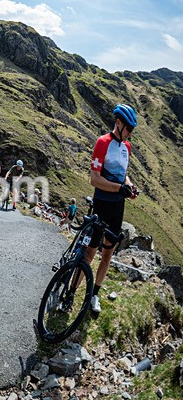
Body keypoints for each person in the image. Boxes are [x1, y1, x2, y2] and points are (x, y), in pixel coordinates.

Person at [70, 104, 139, 314]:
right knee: (90, 253)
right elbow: (94, 179)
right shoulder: (103, 142)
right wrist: (120, 188)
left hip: (118, 207)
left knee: (108, 255)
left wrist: (129, 185)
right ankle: (71, 293)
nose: (130, 135)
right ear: (118, 123)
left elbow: (123, 173)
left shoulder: (126, 147)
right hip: (102, 204)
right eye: (129, 129)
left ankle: (95, 295)